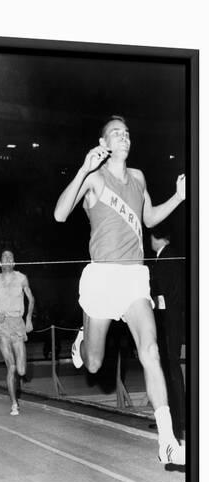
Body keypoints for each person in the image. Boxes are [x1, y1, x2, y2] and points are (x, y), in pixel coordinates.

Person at [54, 115, 186, 464]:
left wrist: (179, 196)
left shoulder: (139, 178)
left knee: (151, 350)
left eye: (127, 133)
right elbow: (59, 214)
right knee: (94, 364)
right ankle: (84, 336)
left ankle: (168, 440)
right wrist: (82, 169)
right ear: (104, 143)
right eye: (116, 133)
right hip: (102, 278)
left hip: (133, 278)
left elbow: (149, 218)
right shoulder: (94, 179)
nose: (124, 137)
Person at [0, 250, 35, 415]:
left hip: (18, 323)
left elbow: (31, 298)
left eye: (11, 257)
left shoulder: (22, 278)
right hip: (2, 325)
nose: (7, 259)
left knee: (21, 370)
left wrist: (28, 318)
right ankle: (14, 404)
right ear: (0, 263)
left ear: (14, 263)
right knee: (12, 367)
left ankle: (18, 382)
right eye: (4, 257)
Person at [150, 228, 186, 439]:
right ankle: (175, 419)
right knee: (168, 368)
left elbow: (166, 295)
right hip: (171, 320)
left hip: (168, 322)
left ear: (159, 237)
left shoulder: (166, 258)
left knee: (170, 368)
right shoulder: (167, 256)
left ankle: (177, 420)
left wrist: (148, 304)